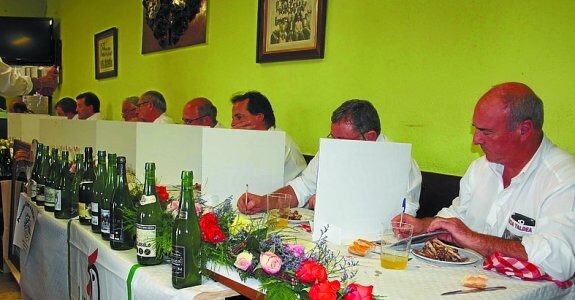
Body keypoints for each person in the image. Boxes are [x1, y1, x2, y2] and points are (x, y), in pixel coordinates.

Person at [393, 82, 575, 282]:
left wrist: (474, 239)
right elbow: (455, 219)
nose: (476, 140)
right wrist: (422, 225)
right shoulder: (481, 168)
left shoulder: (563, 177)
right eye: (475, 130)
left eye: (486, 132)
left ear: (524, 130)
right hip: (474, 283)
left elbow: (562, 261)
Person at [238, 99, 422, 214]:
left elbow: (404, 217)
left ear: (370, 137)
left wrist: (333, 204)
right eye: (333, 137)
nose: (334, 144)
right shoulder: (333, 149)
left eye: (341, 139)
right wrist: (264, 202)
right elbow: (302, 187)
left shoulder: (401, 164)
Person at [231, 91, 306, 184]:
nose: (233, 124)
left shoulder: (279, 143)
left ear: (259, 117)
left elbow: (257, 182)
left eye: (239, 117)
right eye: (233, 118)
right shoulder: (256, 141)